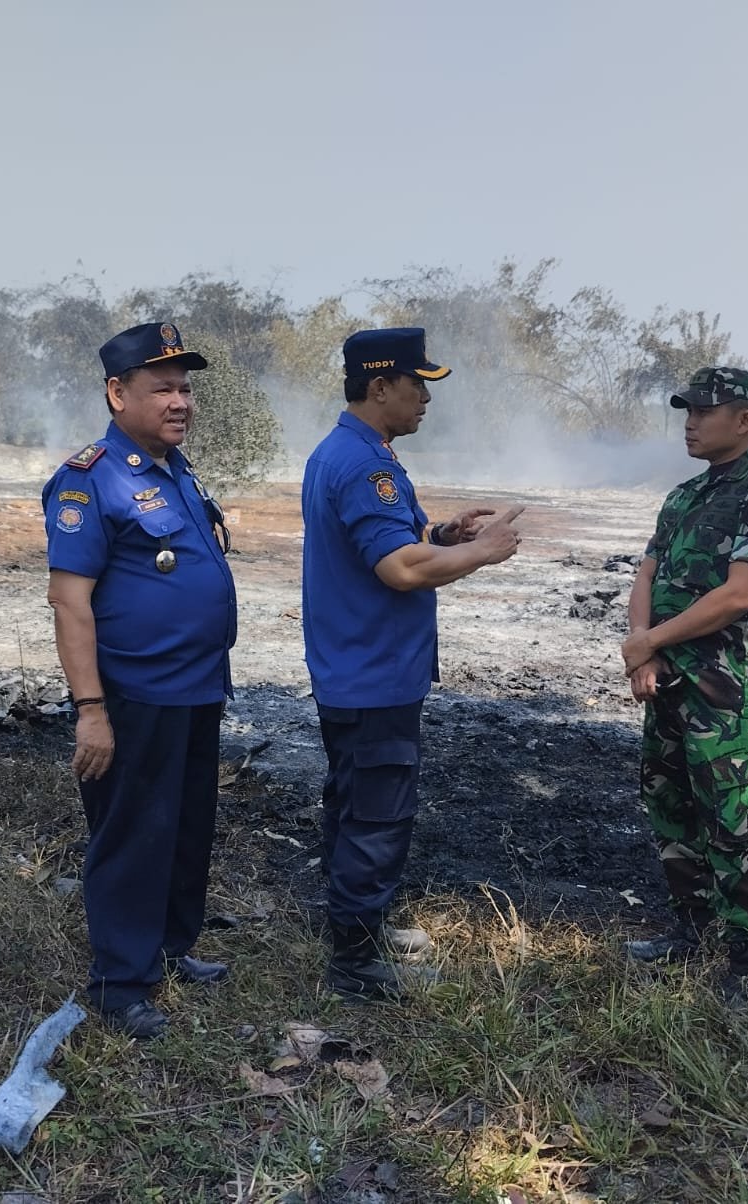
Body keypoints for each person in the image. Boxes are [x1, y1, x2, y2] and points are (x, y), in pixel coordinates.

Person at [302, 328, 523, 1001]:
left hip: (352, 668)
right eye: (416, 383)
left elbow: (393, 543)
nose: (426, 398)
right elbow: (398, 569)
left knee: (351, 803)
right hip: (373, 672)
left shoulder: (343, 451)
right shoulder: (368, 466)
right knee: (377, 814)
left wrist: (441, 536)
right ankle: (357, 962)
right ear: (379, 387)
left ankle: (351, 924)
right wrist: (484, 551)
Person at [43, 321, 236, 1040]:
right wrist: (90, 708)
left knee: (186, 827)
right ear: (118, 393)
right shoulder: (90, 478)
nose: (181, 401)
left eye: (186, 388)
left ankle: (170, 948)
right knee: (133, 834)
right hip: (133, 694)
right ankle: (120, 983)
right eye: (164, 388)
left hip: (194, 686)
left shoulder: (177, 470)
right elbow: (70, 601)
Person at [620, 367, 748, 997]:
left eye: (704, 411)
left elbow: (740, 596)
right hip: (666, 679)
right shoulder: (683, 496)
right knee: (670, 800)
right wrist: (642, 653)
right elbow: (646, 575)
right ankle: (690, 927)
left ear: (744, 420)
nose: (690, 422)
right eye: (687, 412)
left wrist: (650, 642)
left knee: (733, 812)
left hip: (722, 686)